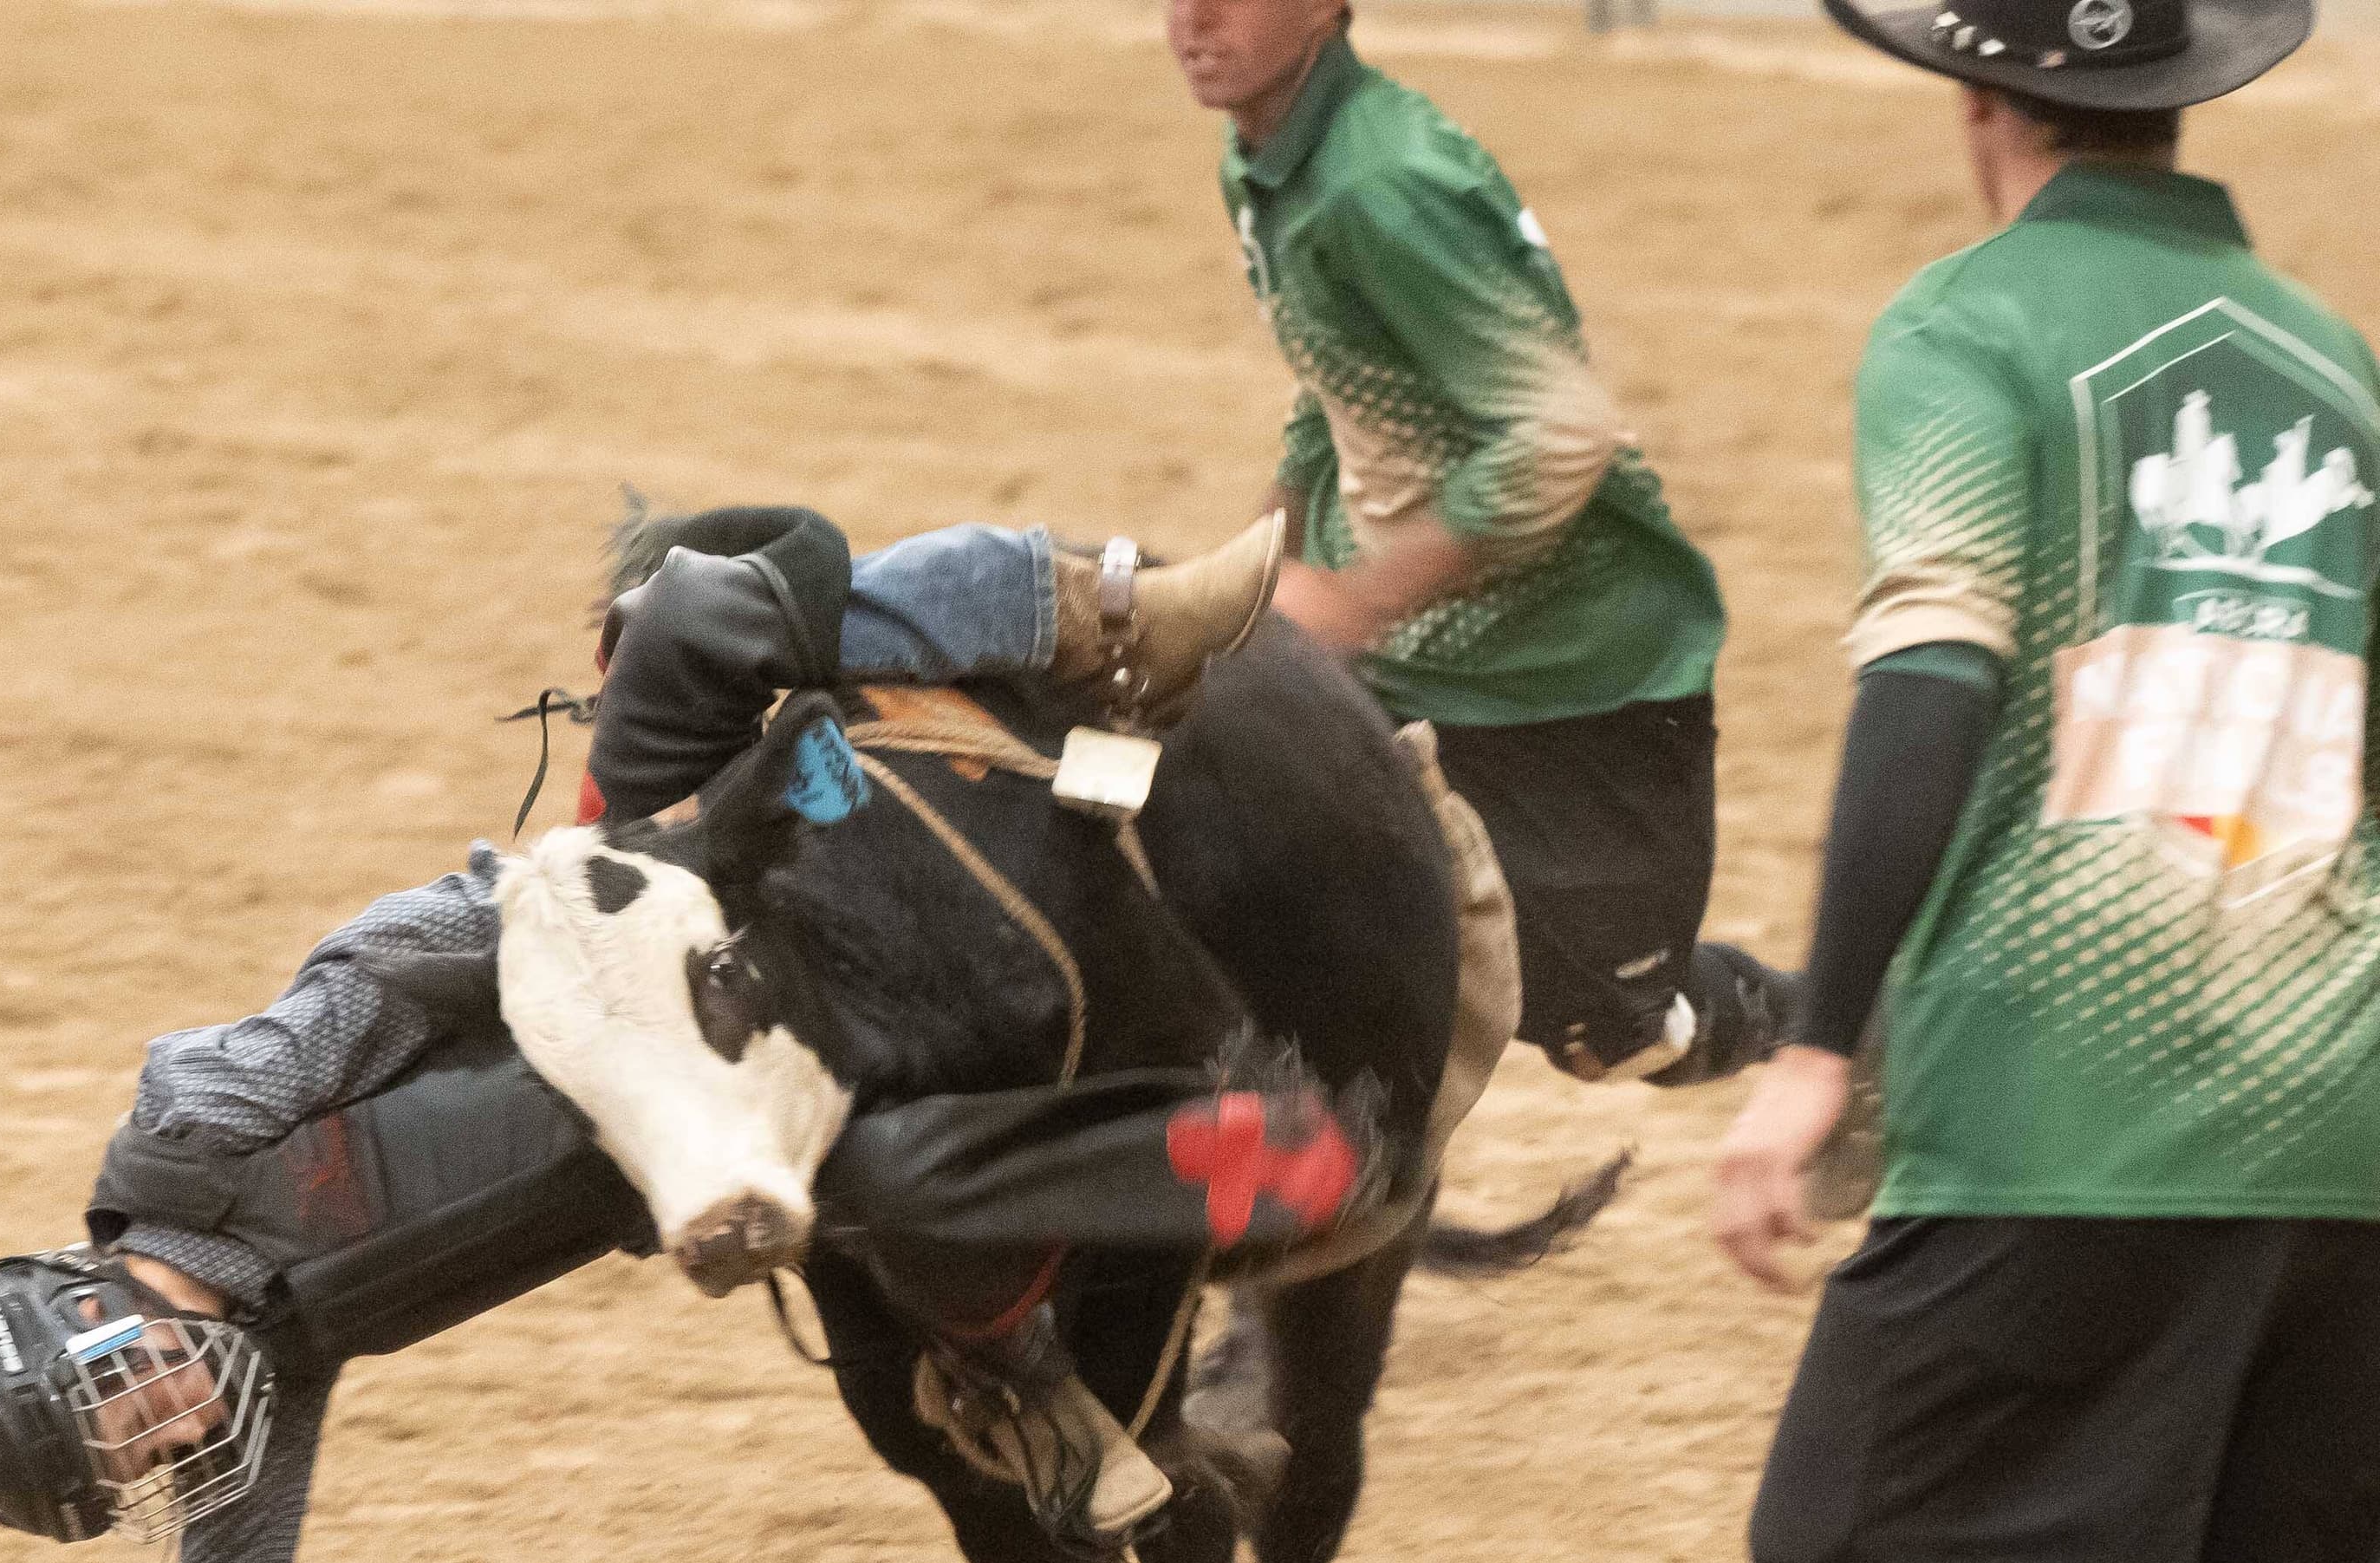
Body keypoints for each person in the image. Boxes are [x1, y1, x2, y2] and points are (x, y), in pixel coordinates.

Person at [1707, 0, 2380, 1563]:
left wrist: (1818, 1046)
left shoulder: (1968, 337)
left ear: (1978, 97)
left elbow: (1934, 676)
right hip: (2338, 1143)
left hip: (2055, 1129)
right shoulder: (2343, 376)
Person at [0, 863, 1364, 1563]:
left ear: (80, 1301)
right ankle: (1091, 1352)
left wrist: (575, 945)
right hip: (691, 1172)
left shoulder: (193, 1128)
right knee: (883, 1237)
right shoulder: (268, 1378)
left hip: (641, 983)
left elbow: (365, 976)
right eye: (137, 1458)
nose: (166, 1427)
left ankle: (1248, 1146)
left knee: (883, 1174)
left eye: (118, 1402)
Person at [599, 0, 1792, 1085]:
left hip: (1584, 680)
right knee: (1279, 889)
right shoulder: (1271, 158)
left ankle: (1822, 1029)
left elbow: (1563, 435)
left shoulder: (1385, 179)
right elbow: (1338, 378)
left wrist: (1358, 599)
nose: (1192, 14)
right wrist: (1268, 564)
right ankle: (1268, 1227)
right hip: (1439, 651)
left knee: (1605, 1030)